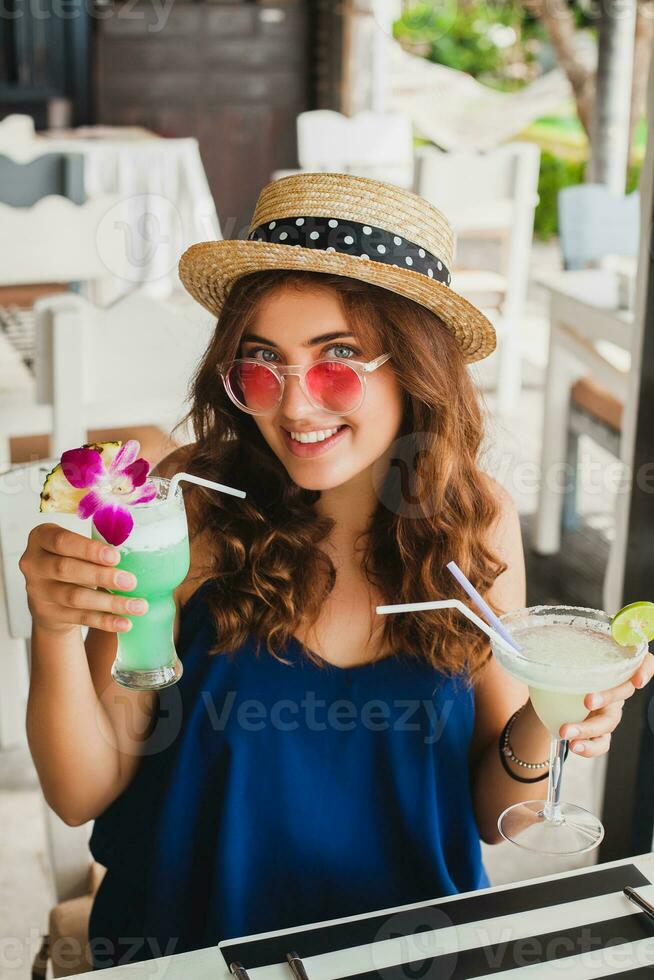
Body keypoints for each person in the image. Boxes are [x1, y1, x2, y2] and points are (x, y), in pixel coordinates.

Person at [20, 173, 654, 970]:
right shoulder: (188, 507)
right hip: (195, 946)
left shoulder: (472, 519)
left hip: (414, 952)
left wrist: (551, 721)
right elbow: (82, 790)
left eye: (338, 359)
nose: (293, 406)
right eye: (261, 363)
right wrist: (52, 627)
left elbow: (503, 812)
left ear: (416, 365)